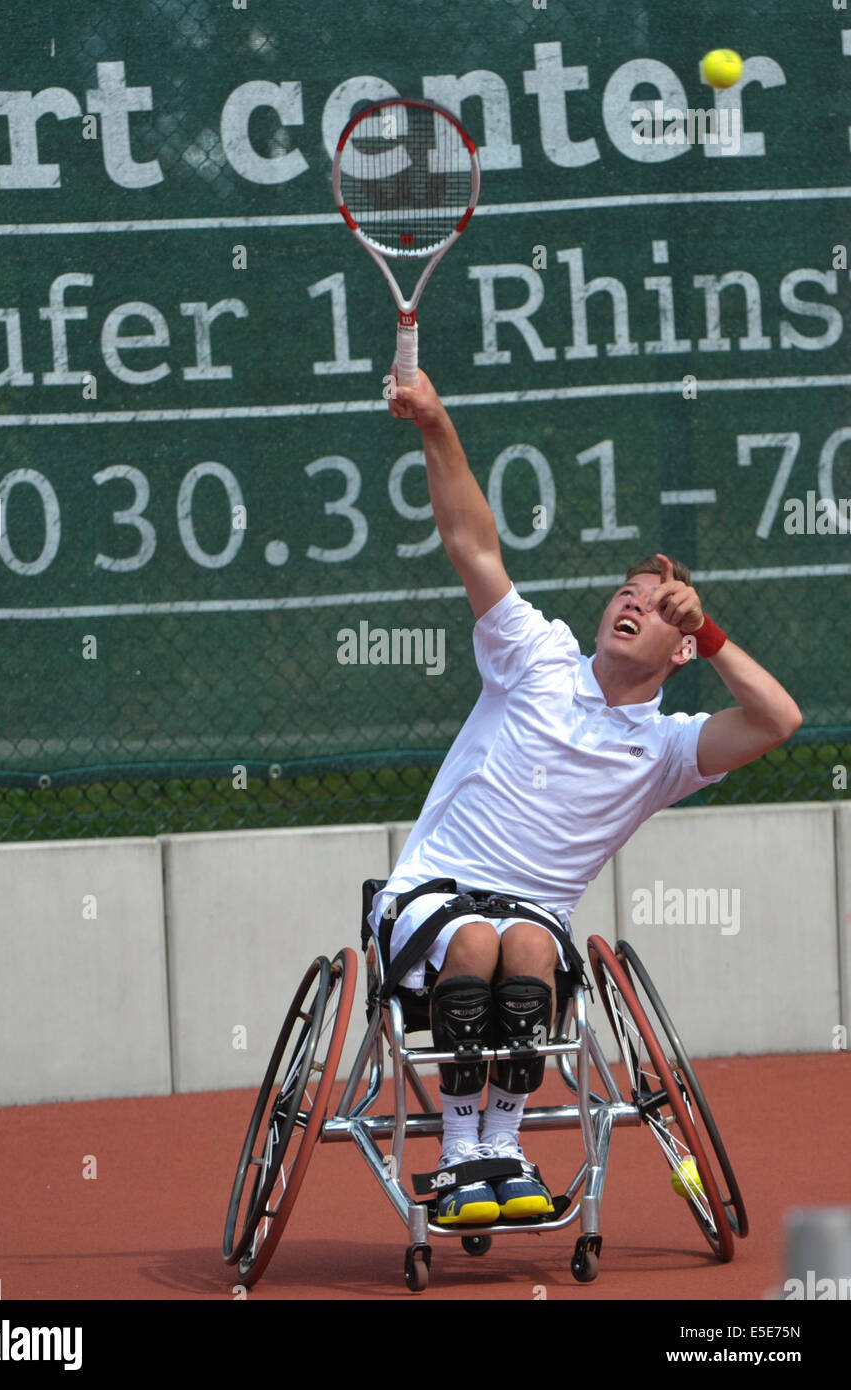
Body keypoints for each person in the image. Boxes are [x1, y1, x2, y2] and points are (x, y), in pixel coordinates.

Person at [369, 368, 802, 1226]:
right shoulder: (536, 656)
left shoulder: (670, 748)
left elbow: (778, 718)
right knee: (479, 940)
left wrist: (710, 627)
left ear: (683, 651)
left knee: (526, 948)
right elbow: (472, 543)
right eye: (626, 594)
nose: (631, 605)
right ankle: (461, 1154)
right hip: (432, 897)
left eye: (656, 607)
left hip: (535, 917)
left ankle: (503, 1144)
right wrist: (434, 417)